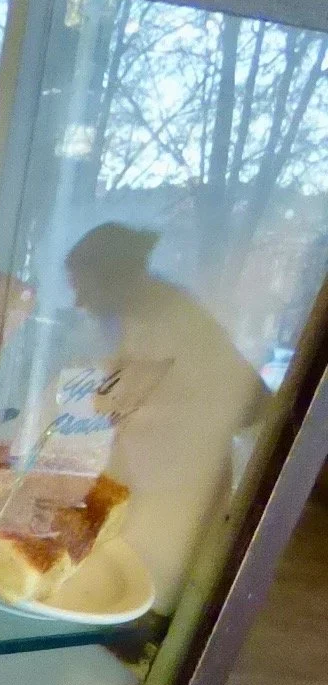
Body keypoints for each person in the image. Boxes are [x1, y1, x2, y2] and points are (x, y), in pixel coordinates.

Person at [56, 222, 267, 599]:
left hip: (175, 496)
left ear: (119, 278)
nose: (79, 302)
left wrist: (155, 413)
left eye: (85, 288)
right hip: (138, 482)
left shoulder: (181, 320)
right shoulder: (128, 320)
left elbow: (253, 405)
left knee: (141, 593)